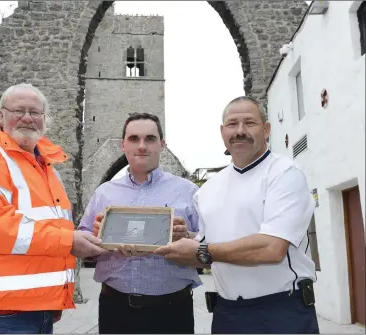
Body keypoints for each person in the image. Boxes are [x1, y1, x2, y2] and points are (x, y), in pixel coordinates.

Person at [0, 83, 107, 334]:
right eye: (18, 110)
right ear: (1, 116)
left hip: (39, 310)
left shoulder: (46, 168)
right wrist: (70, 241)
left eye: (35, 112)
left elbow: (52, 228)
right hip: (0, 315)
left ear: (45, 120)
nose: (28, 118)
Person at [155, 96, 320, 334]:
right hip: (227, 316)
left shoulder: (285, 174)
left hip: (282, 313)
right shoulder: (208, 190)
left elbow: (272, 248)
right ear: (222, 131)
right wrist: (184, 239)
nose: (240, 131)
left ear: (266, 130)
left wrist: (202, 251)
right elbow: (205, 250)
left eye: (249, 123)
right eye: (232, 124)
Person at [77, 112, 202, 334]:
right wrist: (96, 239)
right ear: (123, 145)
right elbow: (81, 247)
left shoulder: (188, 191)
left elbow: (209, 248)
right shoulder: (104, 193)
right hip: (116, 310)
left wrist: (188, 238)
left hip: (173, 312)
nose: (142, 146)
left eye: (150, 139)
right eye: (134, 139)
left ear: (162, 144)